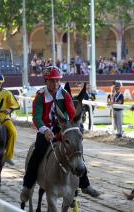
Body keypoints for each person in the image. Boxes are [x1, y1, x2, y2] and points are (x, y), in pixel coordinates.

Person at [20, 66, 100, 203]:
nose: (55, 84)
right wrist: (45, 131)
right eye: (52, 81)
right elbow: (37, 118)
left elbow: (72, 114)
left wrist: (74, 128)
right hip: (45, 132)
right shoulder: (40, 96)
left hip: (62, 131)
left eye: (57, 81)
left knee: (77, 150)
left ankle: (85, 184)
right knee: (37, 153)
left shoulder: (65, 95)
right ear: (46, 81)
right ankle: (27, 186)